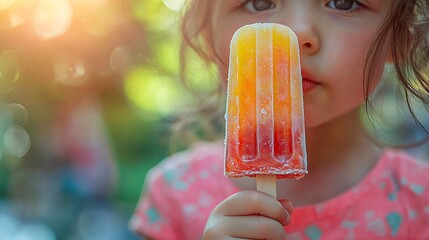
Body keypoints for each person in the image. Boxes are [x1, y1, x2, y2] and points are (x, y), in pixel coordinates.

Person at [130, 0, 429, 239]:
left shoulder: (421, 203)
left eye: (343, 3)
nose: (296, 32)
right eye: (259, 3)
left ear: (400, 37)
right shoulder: (175, 194)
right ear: (207, 35)